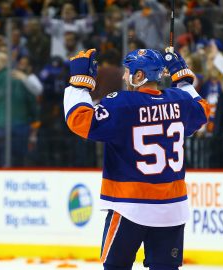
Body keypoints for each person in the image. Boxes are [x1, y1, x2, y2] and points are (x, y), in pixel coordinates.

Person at [63, 48, 209, 270]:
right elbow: (203, 110)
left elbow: (80, 120)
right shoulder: (180, 100)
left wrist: (79, 84)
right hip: (172, 208)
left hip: (130, 205)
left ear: (139, 76)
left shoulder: (123, 104)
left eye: (128, 71)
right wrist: (183, 78)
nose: (124, 76)